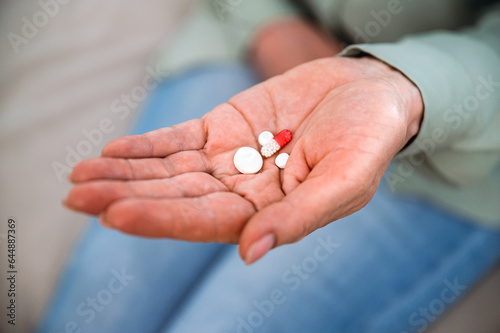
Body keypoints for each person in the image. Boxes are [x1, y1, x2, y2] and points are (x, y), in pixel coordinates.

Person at [38, 1, 500, 332]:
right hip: (252, 37)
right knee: (99, 308)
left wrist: (401, 89)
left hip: (458, 127)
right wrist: (271, 26)